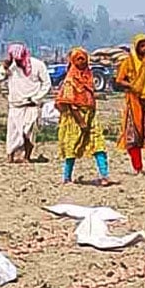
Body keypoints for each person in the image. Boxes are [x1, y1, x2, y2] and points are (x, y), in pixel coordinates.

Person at [56, 48, 113, 186]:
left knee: (98, 144)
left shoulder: (88, 77)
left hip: (90, 116)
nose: (82, 62)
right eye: (78, 59)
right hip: (75, 118)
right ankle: (67, 177)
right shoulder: (70, 80)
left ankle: (105, 175)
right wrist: (81, 122)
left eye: (83, 59)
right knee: (72, 146)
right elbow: (70, 104)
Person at [114, 34, 145, 173]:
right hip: (134, 100)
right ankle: (137, 167)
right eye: (142, 46)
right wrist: (132, 86)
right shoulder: (129, 62)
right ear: (136, 47)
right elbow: (119, 80)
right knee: (133, 134)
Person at [0, 42, 51, 163]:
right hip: (15, 105)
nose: (18, 62)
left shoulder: (38, 65)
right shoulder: (10, 66)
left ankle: (27, 157)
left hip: (31, 105)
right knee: (13, 133)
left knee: (28, 132)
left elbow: (46, 84)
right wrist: (4, 67)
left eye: (20, 60)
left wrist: (36, 98)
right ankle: (10, 156)